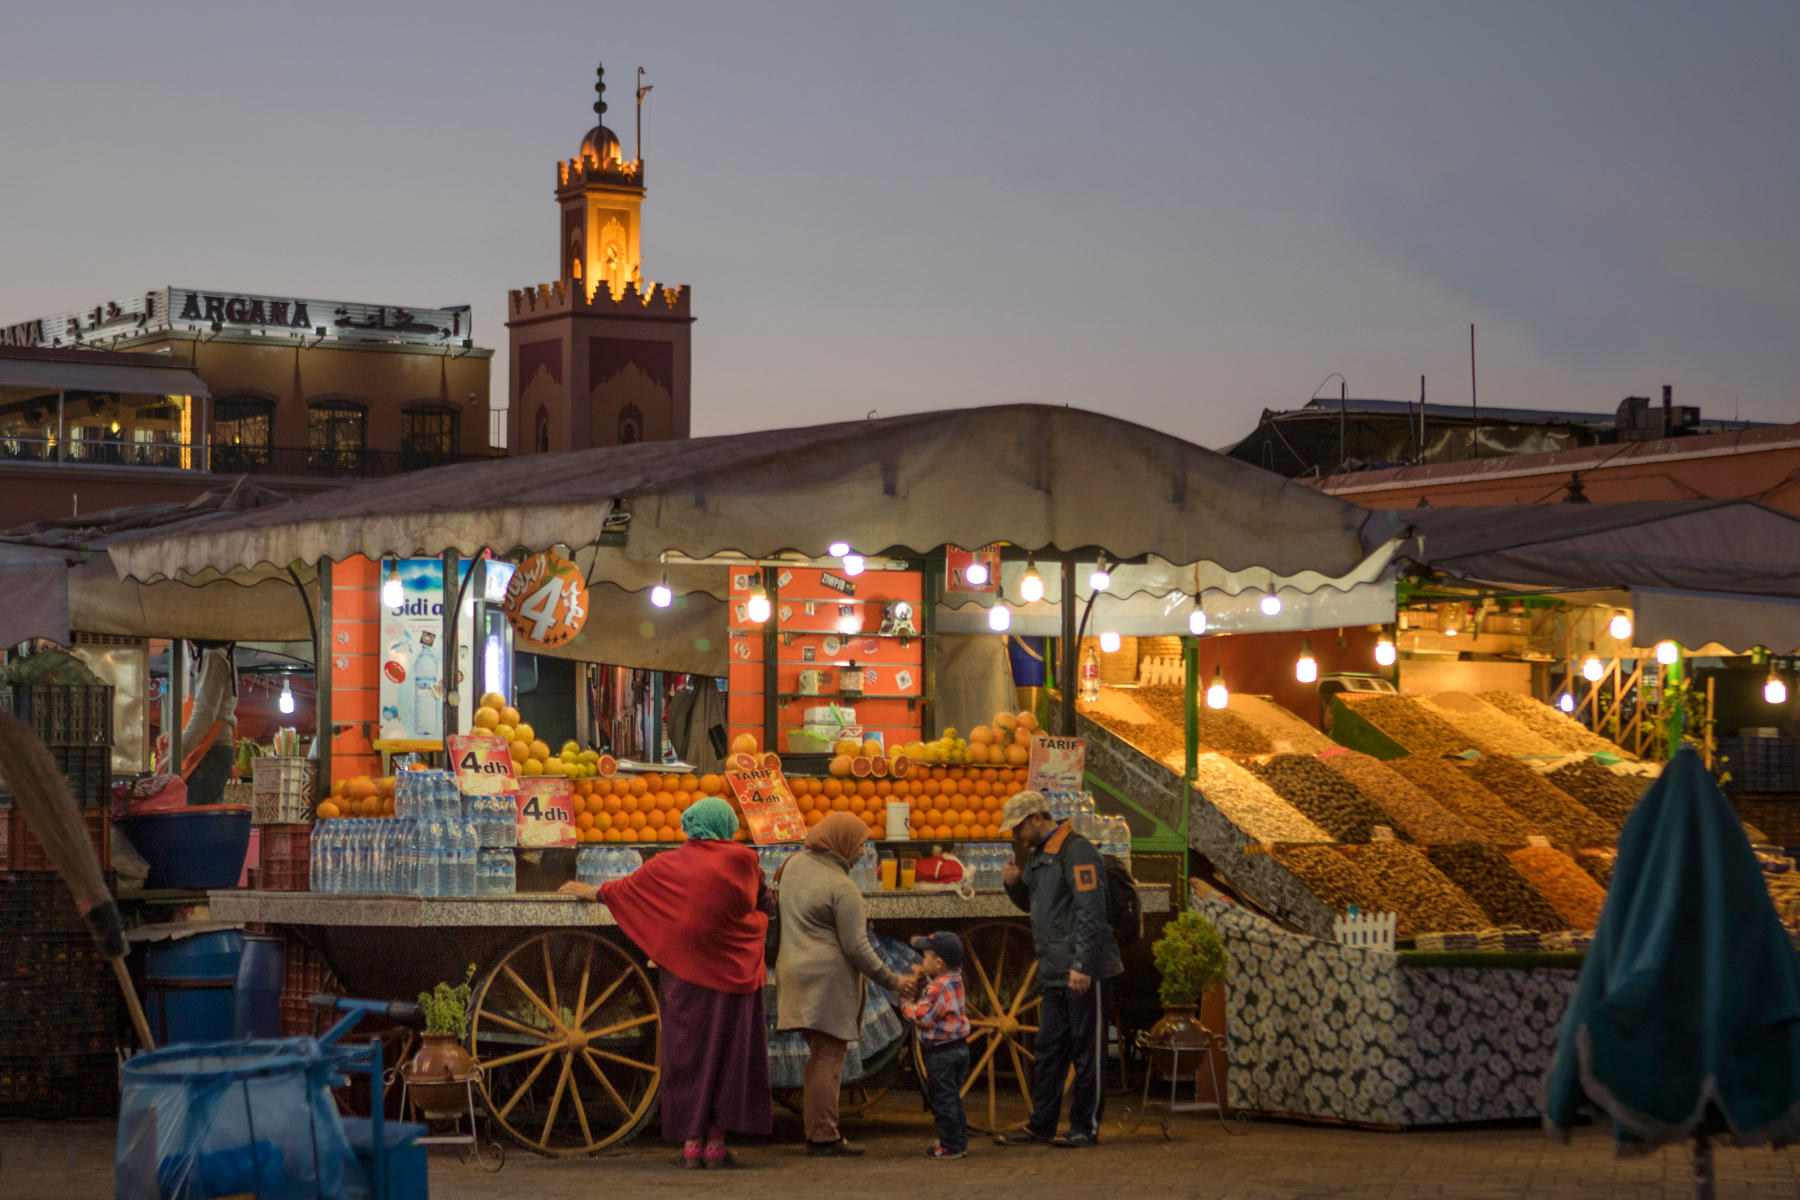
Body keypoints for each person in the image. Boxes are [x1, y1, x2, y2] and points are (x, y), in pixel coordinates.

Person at [557, 797, 774, 1168]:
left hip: (685, 977)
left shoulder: (666, 863)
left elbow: (626, 890)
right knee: (729, 1056)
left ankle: (691, 1143)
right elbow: (764, 903)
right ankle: (717, 1143)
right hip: (735, 976)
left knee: (687, 1055)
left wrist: (593, 891)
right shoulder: (744, 859)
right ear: (724, 824)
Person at [774, 811, 916, 1157]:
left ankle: (816, 1130)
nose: (861, 853)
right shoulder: (843, 887)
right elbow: (858, 948)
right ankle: (823, 1137)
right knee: (828, 1057)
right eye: (859, 845)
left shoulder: (793, 865)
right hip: (827, 982)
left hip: (792, 972)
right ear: (840, 843)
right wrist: (892, 979)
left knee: (818, 1056)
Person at [995, 790, 1122, 1149]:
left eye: (1019, 828)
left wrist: (1082, 965)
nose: (1016, 836)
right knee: (1049, 1050)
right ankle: (1042, 1124)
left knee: (1087, 1052)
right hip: (1054, 971)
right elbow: (1034, 905)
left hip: (1083, 972)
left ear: (1037, 818)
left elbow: (1091, 912)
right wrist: (1012, 885)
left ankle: (1085, 1126)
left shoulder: (1077, 851)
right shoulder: (1040, 855)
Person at [902, 930, 972, 1160]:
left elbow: (925, 1017)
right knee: (953, 1097)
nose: (922, 962)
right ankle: (957, 1141)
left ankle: (951, 1147)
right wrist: (924, 976)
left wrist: (904, 1004)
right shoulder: (955, 979)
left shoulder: (936, 988)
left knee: (942, 1100)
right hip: (960, 1047)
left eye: (926, 957)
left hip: (941, 1052)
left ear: (939, 962)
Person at [181, 641, 239, 805]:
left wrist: (178, 751)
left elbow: (205, 713)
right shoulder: (205, 654)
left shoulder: (213, 655)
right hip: (206, 749)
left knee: (198, 821)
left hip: (210, 751)